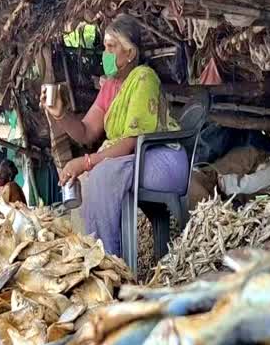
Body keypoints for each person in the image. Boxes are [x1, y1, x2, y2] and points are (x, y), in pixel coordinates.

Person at [41, 14, 189, 257]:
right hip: (134, 161)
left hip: (161, 161)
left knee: (102, 174)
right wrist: (60, 113)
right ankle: (93, 257)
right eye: (105, 47)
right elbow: (86, 132)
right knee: (94, 177)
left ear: (130, 52)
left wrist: (86, 162)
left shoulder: (143, 78)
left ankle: (108, 261)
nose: (105, 53)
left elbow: (132, 142)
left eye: (111, 47)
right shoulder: (111, 86)